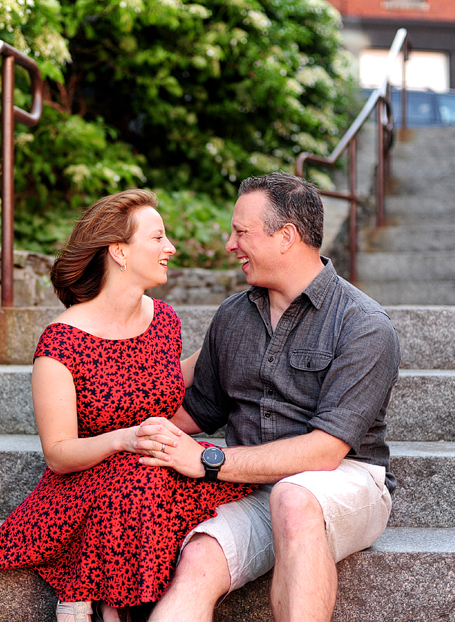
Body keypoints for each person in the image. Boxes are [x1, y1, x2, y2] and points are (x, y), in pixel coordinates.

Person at [0, 189, 255, 622]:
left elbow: (160, 384)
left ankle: (96, 599)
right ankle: (97, 601)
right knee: (135, 480)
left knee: (180, 478)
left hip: (151, 473)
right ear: (119, 251)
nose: (170, 248)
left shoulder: (164, 320)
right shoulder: (60, 342)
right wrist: (125, 439)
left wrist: (229, 338)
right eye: (157, 238)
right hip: (83, 483)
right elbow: (59, 454)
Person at [136, 172, 400, 622]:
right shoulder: (232, 317)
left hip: (347, 479)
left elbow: (325, 450)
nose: (229, 245)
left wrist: (207, 461)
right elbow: (197, 412)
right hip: (254, 487)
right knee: (199, 556)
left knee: (294, 498)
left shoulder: (363, 325)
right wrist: (122, 433)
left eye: (241, 232)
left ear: (286, 237)